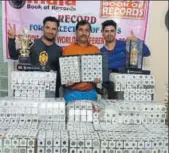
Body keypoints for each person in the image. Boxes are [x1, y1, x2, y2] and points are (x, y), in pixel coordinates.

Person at [8, 16, 62, 97]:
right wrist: (11, 39)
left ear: (57, 31)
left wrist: (55, 85)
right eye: (47, 27)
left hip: (51, 93)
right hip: (31, 91)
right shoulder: (31, 44)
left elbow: (60, 74)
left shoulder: (59, 50)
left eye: (54, 29)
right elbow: (13, 55)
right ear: (43, 28)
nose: (50, 31)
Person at [100, 20, 151, 99]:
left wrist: (136, 41)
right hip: (108, 91)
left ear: (115, 32)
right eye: (106, 31)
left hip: (126, 90)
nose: (109, 34)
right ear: (102, 33)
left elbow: (146, 52)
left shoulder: (125, 45)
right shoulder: (101, 52)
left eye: (112, 31)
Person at [62, 20, 101, 103]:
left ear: (90, 33)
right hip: (72, 93)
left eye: (86, 30)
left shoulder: (95, 50)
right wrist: (66, 82)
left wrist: (98, 81)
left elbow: (99, 75)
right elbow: (64, 74)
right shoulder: (68, 50)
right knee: (71, 115)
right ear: (76, 32)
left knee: (92, 115)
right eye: (81, 30)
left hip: (91, 92)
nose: (84, 33)